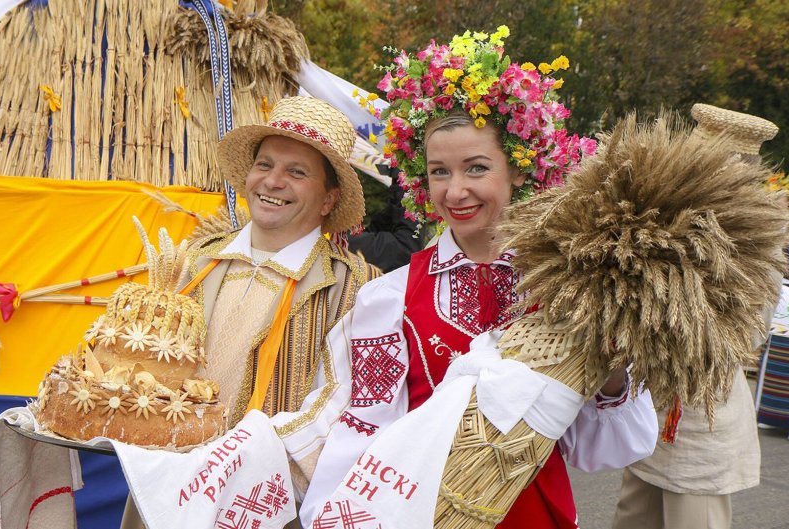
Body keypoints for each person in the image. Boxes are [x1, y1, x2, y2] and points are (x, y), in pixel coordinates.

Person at [298, 28, 657, 528]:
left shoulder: (567, 290)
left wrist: (613, 370)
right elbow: (365, 427)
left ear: (518, 170)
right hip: (423, 514)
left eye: (477, 167)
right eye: (439, 171)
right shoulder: (390, 298)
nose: (456, 190)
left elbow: (605, 448)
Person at [120, 95, 381, 528]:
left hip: (260, 502)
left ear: (329, 199)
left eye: (296, 172)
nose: (273, 181)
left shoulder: (354, 286)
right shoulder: (197, 260)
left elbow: (344, 406)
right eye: (265, 164)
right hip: (163, 486)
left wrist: (234, 466)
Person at [611, 103, 778, 529]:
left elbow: (748, 332)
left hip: (704, 420)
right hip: (650, 412)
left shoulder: (760, 234)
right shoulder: (663, 212)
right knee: (632, 518)